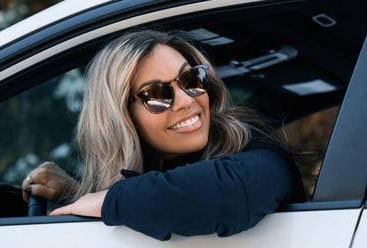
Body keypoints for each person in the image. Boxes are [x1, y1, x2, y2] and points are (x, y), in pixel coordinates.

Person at [22, 30, 305, 240]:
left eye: (191, 79)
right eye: (156, 94)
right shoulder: (144, 187)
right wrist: (78, 192)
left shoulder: (255, 150)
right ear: (121, 116)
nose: (186, 100)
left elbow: (229, 192)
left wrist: (111, 200)